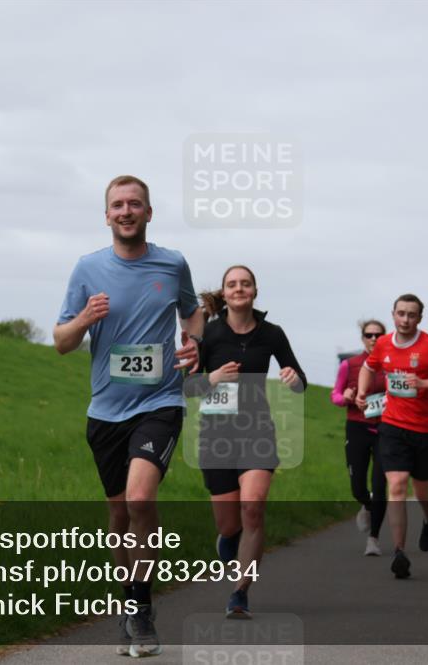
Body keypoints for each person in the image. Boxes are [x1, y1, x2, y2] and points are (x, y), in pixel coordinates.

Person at [53, 175, 202, 657]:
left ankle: (139, 605)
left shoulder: (172, 262)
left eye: (134, 204)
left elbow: (193, 312)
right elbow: (61, 342)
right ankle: (130, 601)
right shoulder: (87, 269)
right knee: (119, 512)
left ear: (148, 212)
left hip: (160, 402)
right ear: (107, 215)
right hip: (105, 410)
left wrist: (194, 341)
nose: (125, 211)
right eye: (117, 205)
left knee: (140, 499)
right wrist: (83, 320)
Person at [185, 265, 307, 618]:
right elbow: (187, 388)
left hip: (257, 432)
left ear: (255, 291)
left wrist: (291, 377)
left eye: (246, 283)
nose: (239, 289)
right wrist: (214, 377)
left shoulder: (272, 334)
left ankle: (240, 592)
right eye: (232, 284)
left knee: (253, 507)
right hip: (216, 436)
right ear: (224, 293)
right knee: (229, 525)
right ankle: (227, 541)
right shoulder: (207, 334)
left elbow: (300, 383)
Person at [356, 294, 428, 579]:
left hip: (426, 430)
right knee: (396, 485)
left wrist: (425, 383)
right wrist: (361, 392)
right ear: (393, 315)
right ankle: (399, 552)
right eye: (401, 314)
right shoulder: (382, 344)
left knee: (422, 491)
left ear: (420, 318)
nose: (405, 320)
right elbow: (369, 367)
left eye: (411, 315)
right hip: (392, 426)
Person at [331, 320, 387, 556]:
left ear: (385, 337)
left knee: (380, 486)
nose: (373, 339)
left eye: (378, 335)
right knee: (358, 487)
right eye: (369, 335)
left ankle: (373, 539)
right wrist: (345, 396)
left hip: (386, 429)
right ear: (362, 338)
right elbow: (335, 395)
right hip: (357, 428)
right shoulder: (349, 365)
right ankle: (365, 504)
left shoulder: (392, 365)